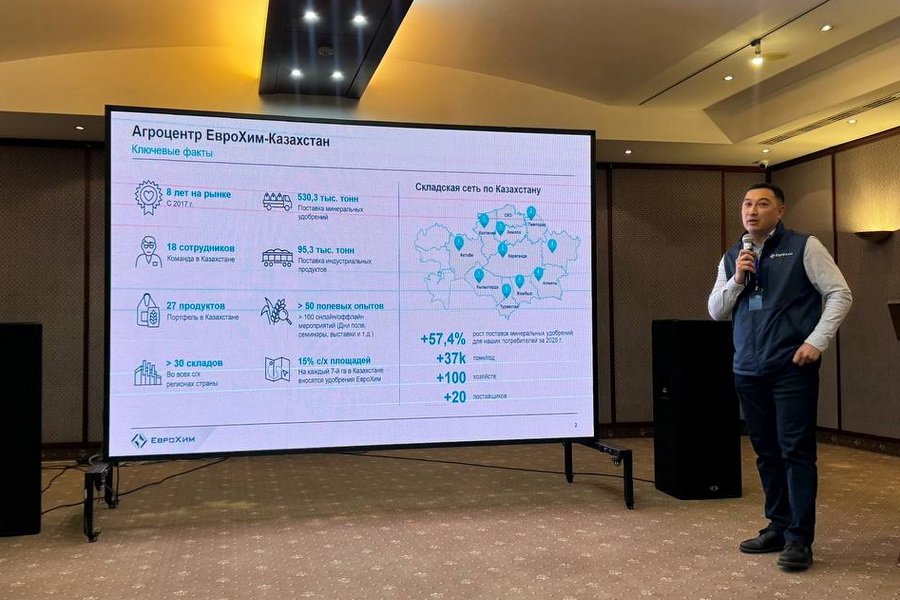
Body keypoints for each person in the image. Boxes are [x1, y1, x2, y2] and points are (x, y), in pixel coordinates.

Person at [708, 182, 852, 570]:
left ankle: (799, 539)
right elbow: (716, 311)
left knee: (795, 453)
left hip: (791, 368)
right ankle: (778, 525)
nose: (752, 211)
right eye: (747, 204)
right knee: (767, 453)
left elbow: (840, 294)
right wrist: (738, 279)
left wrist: (817, 341)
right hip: (748, 369)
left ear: (780, 210)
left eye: (762, 204)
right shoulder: (733, 256)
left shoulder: (805, 246)